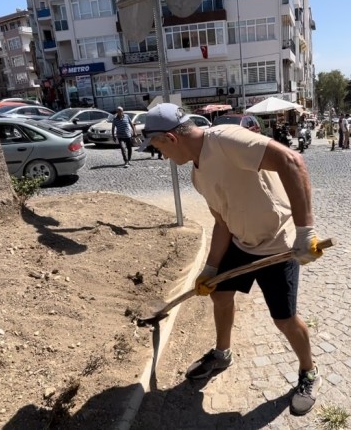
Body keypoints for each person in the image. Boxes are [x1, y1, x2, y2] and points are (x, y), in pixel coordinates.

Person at [138, 103, 325, 416]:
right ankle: (222, 354)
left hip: (277, 245)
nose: (160, 155)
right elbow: (222, 223)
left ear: (171, 138)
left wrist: (306, 232)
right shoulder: (198, 176)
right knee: (220, 295)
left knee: (284, 320)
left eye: (157, 146)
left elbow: (292, 162)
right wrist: (210, 268)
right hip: (240, 242)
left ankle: (309, 372)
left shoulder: (225, 140)